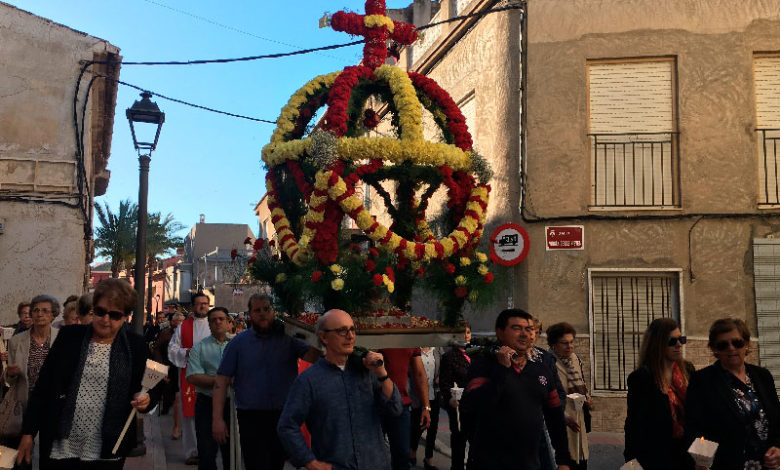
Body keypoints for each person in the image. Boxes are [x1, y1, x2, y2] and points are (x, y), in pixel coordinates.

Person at [15, 278, 160, 469]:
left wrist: (147, 398)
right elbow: (44, 386)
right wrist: (28, 433)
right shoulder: (69, 336)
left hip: (108, 445)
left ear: (126, 317)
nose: (105, 319)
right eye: (100, 312)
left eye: (115, 315)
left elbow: (153, 385)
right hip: (61, 443)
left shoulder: (136, 346)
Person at [277, 309, 402, 470]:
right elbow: (287, 426)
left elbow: (395, 409)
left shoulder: (368, 372)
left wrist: (382, 373)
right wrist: (310, 462)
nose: (350, 336)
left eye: (352, 329)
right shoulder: (308, 381)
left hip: (376, 463)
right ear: (323, 337)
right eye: (342, 331)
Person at [212, 294, 320, 470]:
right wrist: (217, 419)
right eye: (257, 310)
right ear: (250, 314)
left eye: (266, 309)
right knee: (257, 464)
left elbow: (313, 357)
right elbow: (221, 381)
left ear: (273, 311)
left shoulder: (289, 339)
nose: (262, 314)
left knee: (277, 463)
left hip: (284, 416)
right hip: (251, 417)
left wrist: (315, 334)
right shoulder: (238, 343)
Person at [461, 309, 570, 470]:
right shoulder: (482, 365)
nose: (525, 334)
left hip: (530, 464)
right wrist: (503, 369)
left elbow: (555, 417)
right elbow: (475, 406)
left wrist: (563, 460)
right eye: (517, 328)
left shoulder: (542, 370)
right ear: (500, 333)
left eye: (529, 329)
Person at [685, 318, 780, 470]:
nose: (731, 348)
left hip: (767, 464)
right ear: (715, 349)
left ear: (746, 344)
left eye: (737, 342)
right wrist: (703, 461)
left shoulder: (762, 376)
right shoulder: (703, 380)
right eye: (723, 345)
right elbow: (694, 427)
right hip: (726, 464)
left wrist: (778, 447)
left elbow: (777, 419)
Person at [624, 318, 694, 470]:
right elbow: (634, 423)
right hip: (657, 457)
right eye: (672, 341)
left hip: (687, 455)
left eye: (681, 339)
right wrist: (631, 460)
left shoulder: (688, 370)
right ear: (657, 343)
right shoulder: (642, 377)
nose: (678, 344)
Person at [2, 295, 60, 447]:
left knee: (49, 451)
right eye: (36, 310)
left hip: (52, 404)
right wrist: (11, 373)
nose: (39, 314)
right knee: (21, 451)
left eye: (45, 311)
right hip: (24, 404)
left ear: (53, 314)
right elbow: (10, 380)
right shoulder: (17, 341)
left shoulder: (61, 338)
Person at [186, 307, 232, 470]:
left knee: (232, 454)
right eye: (213, 320)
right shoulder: (199, 348)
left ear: (228, 322)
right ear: (209, 324)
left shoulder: (238, 345)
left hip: (232, 406)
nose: (218, 322)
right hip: (207, 405)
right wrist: (223, 381)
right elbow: (193, 376)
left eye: (221, 319)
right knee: (206, 452)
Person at [169, 292, 211, 465]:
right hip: (189, 375)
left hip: (211, 376)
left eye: (206, 303)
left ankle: (208, 450)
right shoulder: (183, 327)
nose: (203, 306)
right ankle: (192, 452)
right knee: (190, 414)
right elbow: (172, 349)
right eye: (199, 303)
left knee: (209, 414)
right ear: (193, 307)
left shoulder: (214, 324)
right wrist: (186, 352)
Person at [547, 322, 592, 470]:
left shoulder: (574, 359)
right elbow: (547, 394)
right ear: (554, 344)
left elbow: (581, 383)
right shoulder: (548, 362)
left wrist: (587, 397)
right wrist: (563, 414)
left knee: (580, 460)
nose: (570, 346)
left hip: (578, 417)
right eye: (564, 343)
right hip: (561, 419)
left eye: (572, 342)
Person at [379, 347, 431, 470]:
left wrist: (426, 407)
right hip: (372, 404)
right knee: (371, 454)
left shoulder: (408, 337)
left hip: (401, 404)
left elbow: (419, 373)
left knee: (402, 455)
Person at [439, 324, 472, 470]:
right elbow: (444, 383)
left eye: (468, 332)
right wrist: (450, 398)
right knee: (459, 439)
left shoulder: (476, 354)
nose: (466, 336)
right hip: (458, 405)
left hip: (476, 404)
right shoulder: (449, 357)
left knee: (476, 441)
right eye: (462, 333)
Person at [410, 346, 442, 470]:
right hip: (417, 395)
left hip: (434, 394)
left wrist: (440, 376)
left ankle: (428, 458)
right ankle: (413, 450)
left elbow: (441, 365)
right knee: (418, 427)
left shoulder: (437, 349)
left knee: (433, 428)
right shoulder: (414, 349)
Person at [154, 312, 185, 438]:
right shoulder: (165, 333)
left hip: (183, 367)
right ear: (172, 322)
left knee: (178, 397)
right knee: (169, 393)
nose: (179, 323)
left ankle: (178, 427)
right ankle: (167, 410)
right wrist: (160, 368)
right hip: (168, 366)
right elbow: (157, 350)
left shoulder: (187, 333)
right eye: (177, 320)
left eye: (182, 320)